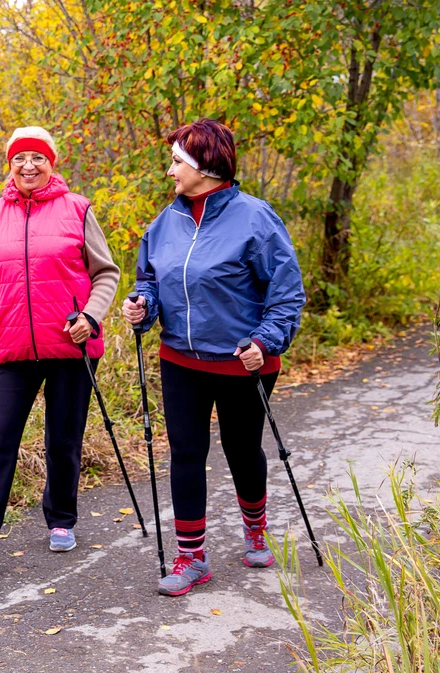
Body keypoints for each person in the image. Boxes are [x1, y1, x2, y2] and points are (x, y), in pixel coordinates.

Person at [122, 118, 305, 597]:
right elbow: (149, 281)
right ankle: (191, 557)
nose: (170, 171)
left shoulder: (256, 218)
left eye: (177, 162)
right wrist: (142, 306)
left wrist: (263, 342)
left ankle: (256, 529)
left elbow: (286, 295)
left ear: (206, 167)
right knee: (184, 453)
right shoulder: (164, 223)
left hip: (243, 361)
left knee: (241, 449)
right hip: (181, 359)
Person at [0, 126, 119, 575]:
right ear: (10, 165)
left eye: (37, 157)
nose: (28, 166)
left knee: (63, 438)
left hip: (71, 343)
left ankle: (61, 518)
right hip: (13, 345)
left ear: (52, 163)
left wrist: (90, 318)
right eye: (20, 158)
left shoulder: (77, 209)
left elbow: (106, 274)